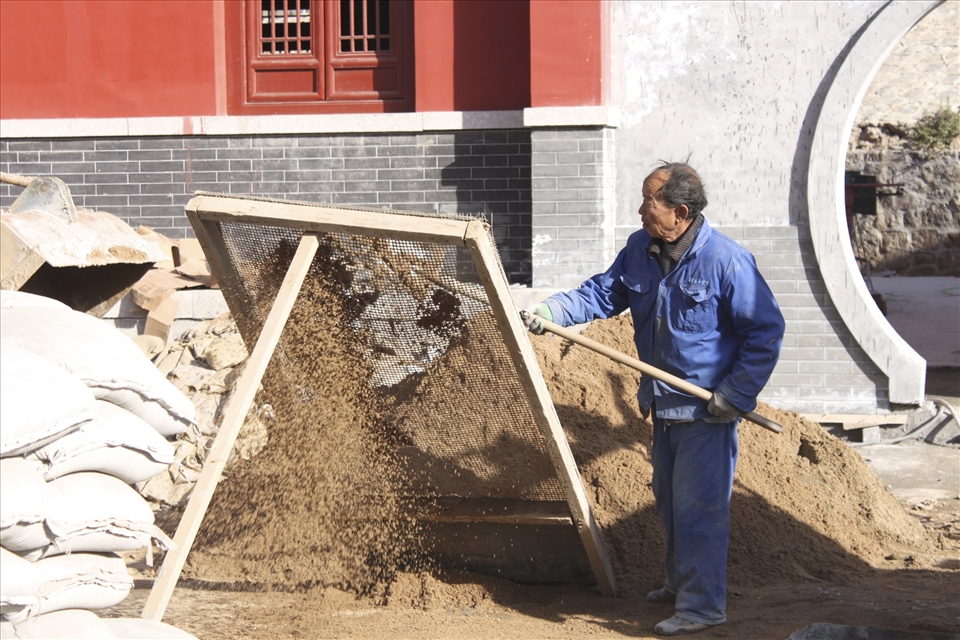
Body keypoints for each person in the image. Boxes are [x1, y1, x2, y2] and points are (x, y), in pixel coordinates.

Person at [524, 162, 784, 636]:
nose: (640, 209)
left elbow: (765, 331)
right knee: (668, 502)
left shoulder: (726, 261)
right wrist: (553, 310)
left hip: (707, 410)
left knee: (699, 508)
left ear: (680, 211)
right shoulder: (640, 250)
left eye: (650, 201)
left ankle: (703, 605)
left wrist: (737, 393)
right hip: (662, 403)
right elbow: (603, 293)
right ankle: (679, 583)